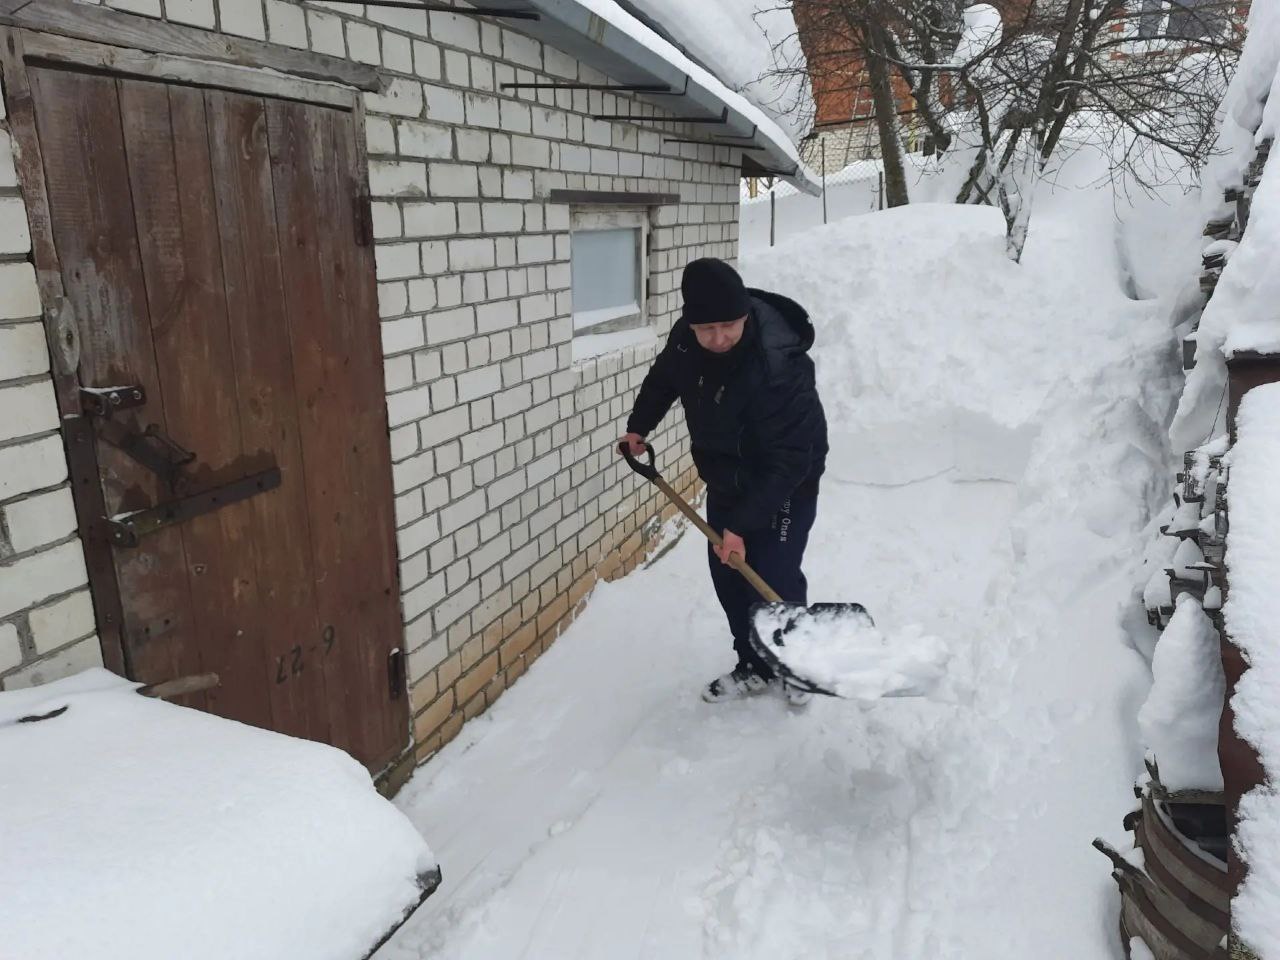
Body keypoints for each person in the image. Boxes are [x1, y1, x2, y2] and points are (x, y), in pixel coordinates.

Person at [620, 257, 828, 705]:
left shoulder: (778, 365)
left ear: (745, 315)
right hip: (727, 471)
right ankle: (753, 663)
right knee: (728, 572)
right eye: (706, 329)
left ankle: (797, 663)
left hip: (788, 475)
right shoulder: (686, 339)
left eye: (729, 326)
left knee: (771, 571)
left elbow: (791, 458)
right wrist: (640, 426)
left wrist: (740, 527)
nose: (718, 339)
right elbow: (663, 381)